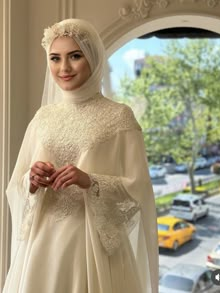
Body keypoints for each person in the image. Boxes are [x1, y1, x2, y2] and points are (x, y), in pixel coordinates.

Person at [3, 19, 158, 293]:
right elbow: (17, 185)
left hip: (91, 248)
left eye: (75, 56)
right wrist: (32, 178)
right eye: (55, 58)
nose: (63, 68)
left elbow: (139, 188)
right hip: (42, 246)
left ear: (93, 57)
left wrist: (90, 180)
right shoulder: (43, 117)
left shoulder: (119, 116)